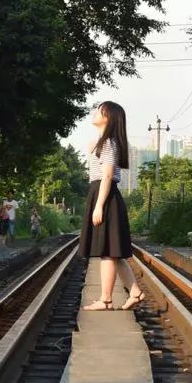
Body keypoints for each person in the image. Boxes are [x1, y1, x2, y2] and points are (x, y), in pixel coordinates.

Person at [78, 100, 144, 311]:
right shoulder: (103, 142)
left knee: (107, 252)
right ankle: (135, 292)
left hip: (104, 195)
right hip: (103, 194)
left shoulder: (108, 143)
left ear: (108, 116)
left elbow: (107, 176)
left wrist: (98, 206)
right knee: (113, 252)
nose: (95, 113)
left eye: (99, 110)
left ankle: (105, 300)